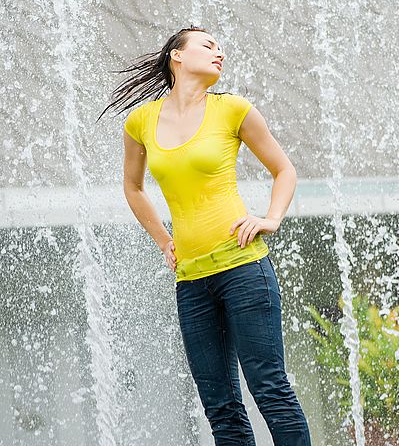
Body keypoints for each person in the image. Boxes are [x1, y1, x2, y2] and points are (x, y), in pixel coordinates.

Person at [99, 25, 312, 445]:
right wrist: (164, 240)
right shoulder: (141, 121)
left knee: (270, 390)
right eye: (208, 45)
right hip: (191, 282)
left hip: (244, 270)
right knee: (221, 408)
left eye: (220, 47)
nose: (219, 52)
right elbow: (133, 186)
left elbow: (284, 169)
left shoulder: (233, 109)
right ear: (177, 56)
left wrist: (271, 218)